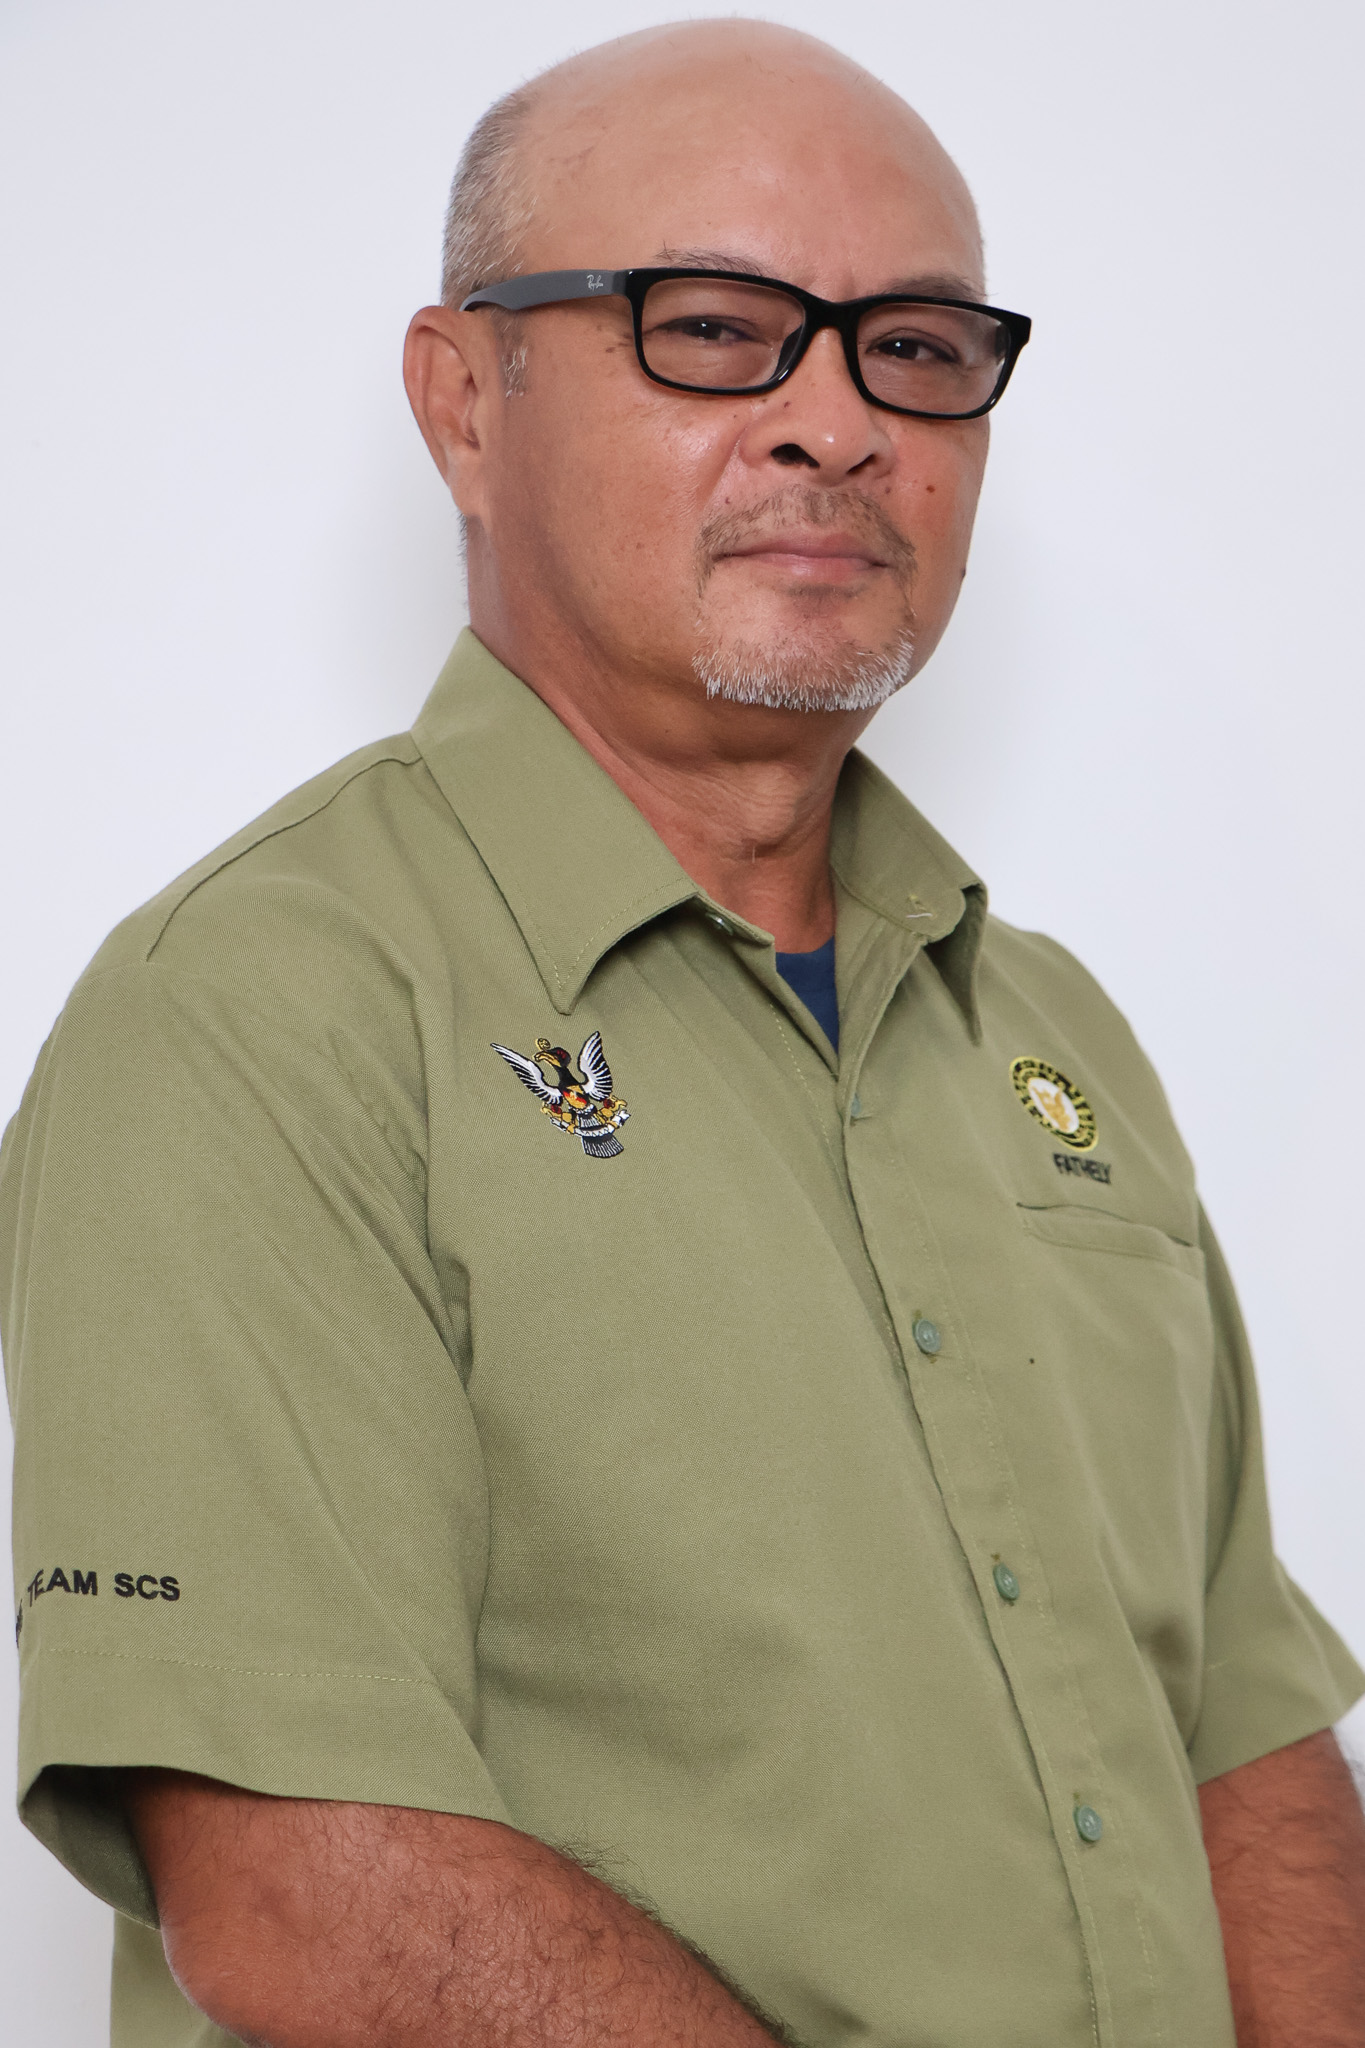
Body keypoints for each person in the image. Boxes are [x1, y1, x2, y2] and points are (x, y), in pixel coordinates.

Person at [4, 17, 1364, 2046]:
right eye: (713, 328)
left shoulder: (1046, 1035)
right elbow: (311, 1888)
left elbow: (1238, 1741)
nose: (836, 422)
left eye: (913, 347)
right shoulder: (256, 1013)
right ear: (463, 403)